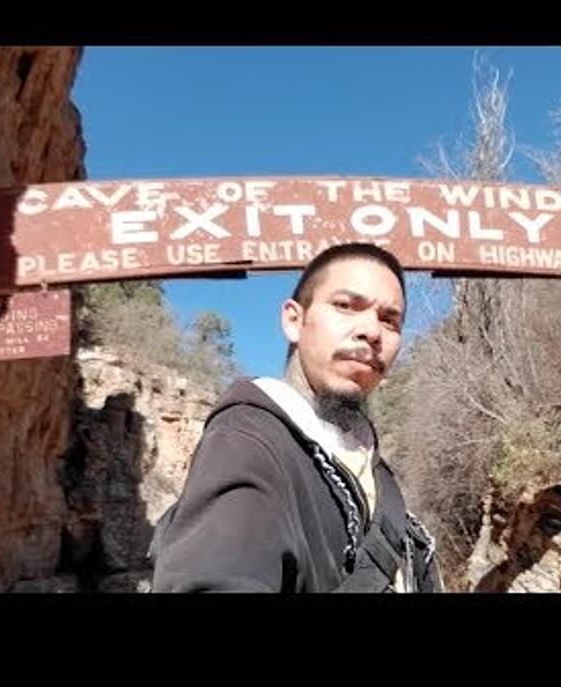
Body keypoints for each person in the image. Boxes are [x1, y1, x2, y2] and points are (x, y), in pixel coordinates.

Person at [151, 242, 441, 592]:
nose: (372, 331)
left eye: (389, 320)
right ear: (293, 321)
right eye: (346, 305)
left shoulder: (372, 467)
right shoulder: (247, 443)